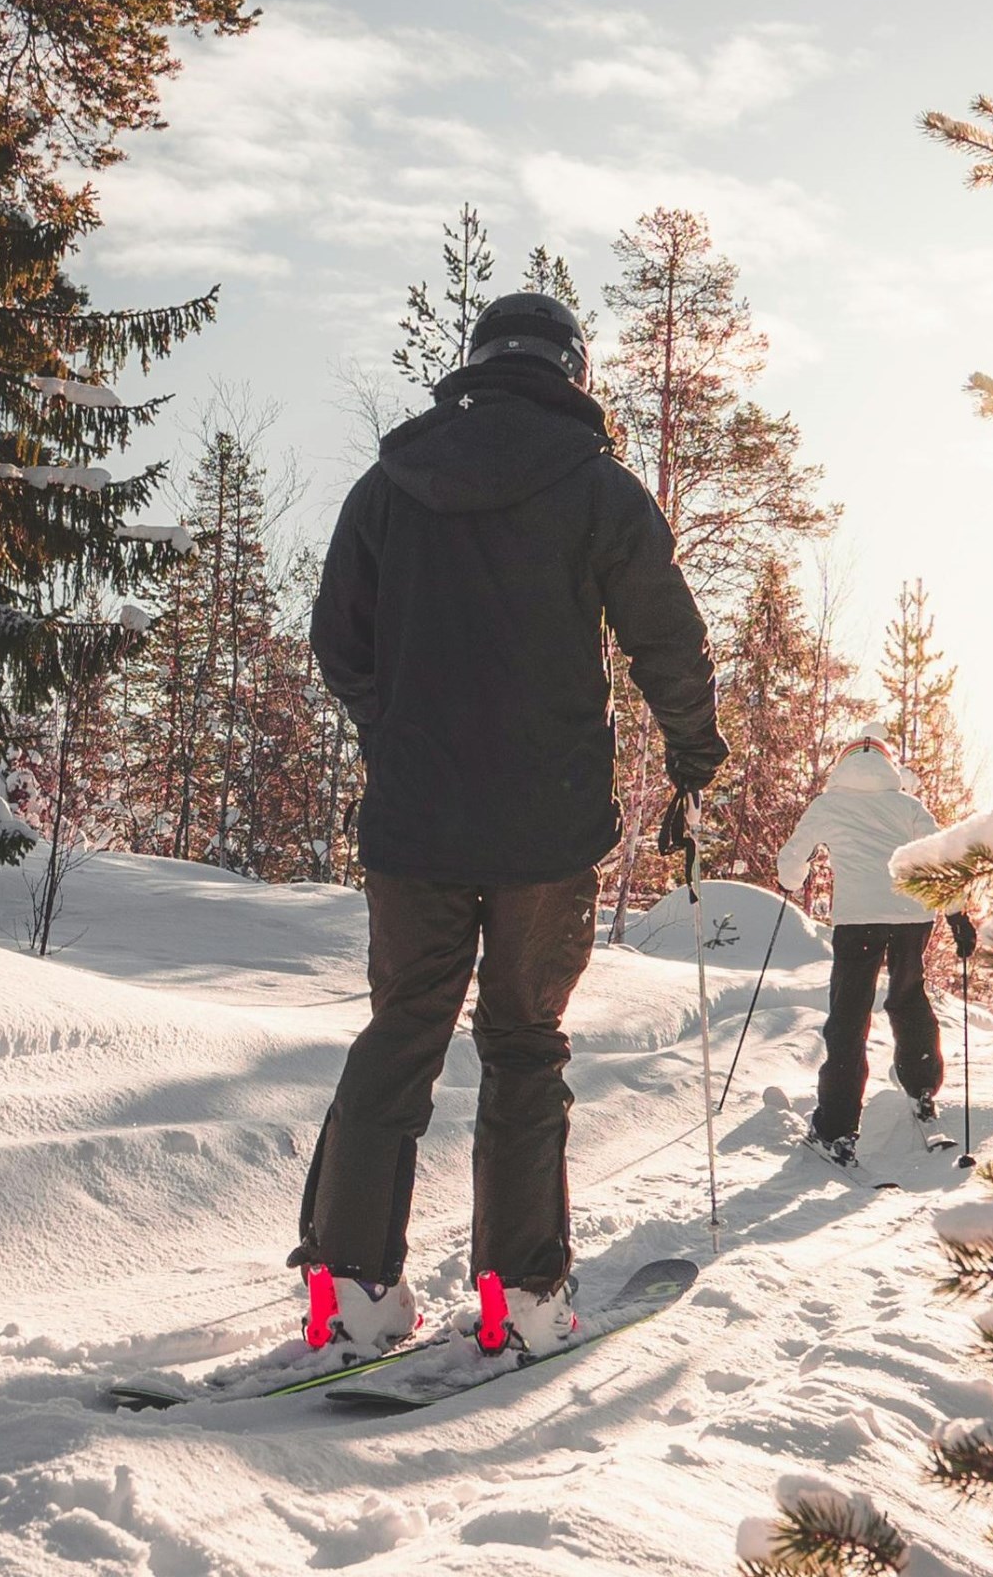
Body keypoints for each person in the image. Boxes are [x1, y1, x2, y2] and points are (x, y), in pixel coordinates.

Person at [299, 291, 726, 1362]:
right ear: (571, 370)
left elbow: (337, 638)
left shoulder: (390, 483)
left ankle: (346, 1289)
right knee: (524, 1046)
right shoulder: (596, 490)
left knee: (401, 1033)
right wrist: (692, 756)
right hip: (545, 832)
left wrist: (393, 727)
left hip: (414, 827)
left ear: (477, 362)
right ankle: (521, 1296)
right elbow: (666, 638)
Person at [775, 726, 977, 1169]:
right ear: (888, 766)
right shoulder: (907, 804)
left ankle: (836, 1129)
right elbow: (942, 858)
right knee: (908, 997)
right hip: (912, 918)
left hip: (857, 920)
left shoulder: (828, 804)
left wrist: (793, 878)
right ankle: (922, 1091)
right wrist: (957, 914)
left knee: (849, 1017)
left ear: (842, 765)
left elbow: (792, 863)